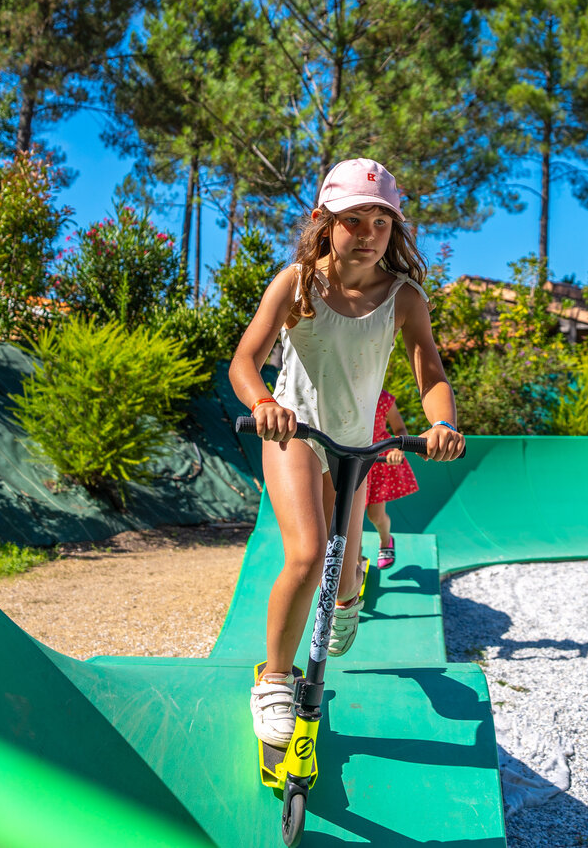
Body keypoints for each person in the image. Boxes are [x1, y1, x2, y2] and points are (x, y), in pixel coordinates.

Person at [228, 158, 465, 746]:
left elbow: (428, 369)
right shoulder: (297, 283)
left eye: (381, 223)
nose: (367, 235)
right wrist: (263, 404)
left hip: (356, 448)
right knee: (309, 557)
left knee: (344, 575)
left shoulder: (405, 297)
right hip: (297, 438)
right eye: (353, 220)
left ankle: (351, 592)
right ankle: (275, 682)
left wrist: (442, 422)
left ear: (396, 231)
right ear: (322, 220)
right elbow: (244, 361)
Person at [365, 389, 419, 569]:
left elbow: (400, 429)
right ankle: (355, 561)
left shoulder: (383, 398)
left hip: (378, 461)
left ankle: (386, 539)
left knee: (375, 515)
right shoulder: (342, 394)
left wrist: (397, 449)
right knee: (350, 519)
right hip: (354, 458)